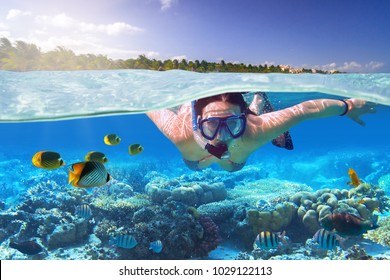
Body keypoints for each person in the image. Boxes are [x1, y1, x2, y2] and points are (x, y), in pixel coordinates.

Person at [146, 92, 376, 172]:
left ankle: (256, 102)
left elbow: (305, 110)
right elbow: (148, 104)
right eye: (212, 125)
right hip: (197, 159)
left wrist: (349, 107)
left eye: (233, 125)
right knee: (196, 164)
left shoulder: (254, 130)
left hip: (235, 160)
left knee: (231, 167)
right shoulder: (180, 132)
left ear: (242, 120)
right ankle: (257, 102)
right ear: (197, 122)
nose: (222, 136)